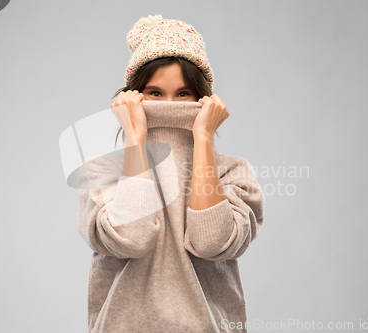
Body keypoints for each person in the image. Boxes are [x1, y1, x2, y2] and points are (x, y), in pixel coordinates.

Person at [76, 14, 265, 333]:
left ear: (202, 100)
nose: (169, 105)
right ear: (132, 98)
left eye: (183, 94)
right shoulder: (100, 171)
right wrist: (136, 139)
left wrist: (203, 139)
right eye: (154, 94)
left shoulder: (233, 172)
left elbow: (210, 243)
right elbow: (131, 239)